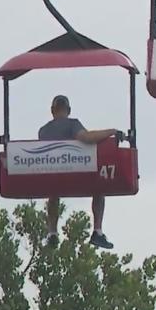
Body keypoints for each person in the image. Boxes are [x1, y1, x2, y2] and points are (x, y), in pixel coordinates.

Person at [38, 95, 121, 250]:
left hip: (53, 178)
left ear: (52, 111)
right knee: (99, 187)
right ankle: (97, 231)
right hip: (77, 176)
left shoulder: (43, 131)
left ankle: (52, 233)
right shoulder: (72, 125)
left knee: (52, 192)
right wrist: (112, 131)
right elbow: (86, 138)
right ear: (68, 110)